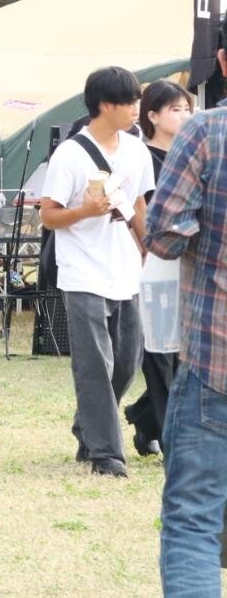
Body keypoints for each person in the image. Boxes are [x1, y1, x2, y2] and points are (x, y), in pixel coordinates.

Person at [38, 66, 152, 478]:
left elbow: (138, 204)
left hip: (126, 269)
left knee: (128, 360)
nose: (137, 108)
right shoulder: (70, 155)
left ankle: (87, 424)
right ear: (105, 105)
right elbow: (48, 215)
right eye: (129, 101)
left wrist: (148, 248)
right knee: (94, 364)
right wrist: (86, 211)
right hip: (82, 270)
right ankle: (106, 454)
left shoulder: (137, 150)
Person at [145, 34, 227, 592]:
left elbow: (165, 233)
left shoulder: (205, 131)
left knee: (193, 520)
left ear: (221, 61)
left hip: (215, 358)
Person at [126, 80, 194, 458]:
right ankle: (173, 439)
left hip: (189, 261)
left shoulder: (192, 152)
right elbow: (136, 210)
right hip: (151, 262)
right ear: (152, 115)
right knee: (159, 353)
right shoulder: (141, 156)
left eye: (187, 109)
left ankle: (144, 417)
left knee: (184, 354)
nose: (183, 116)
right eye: (175, 109)